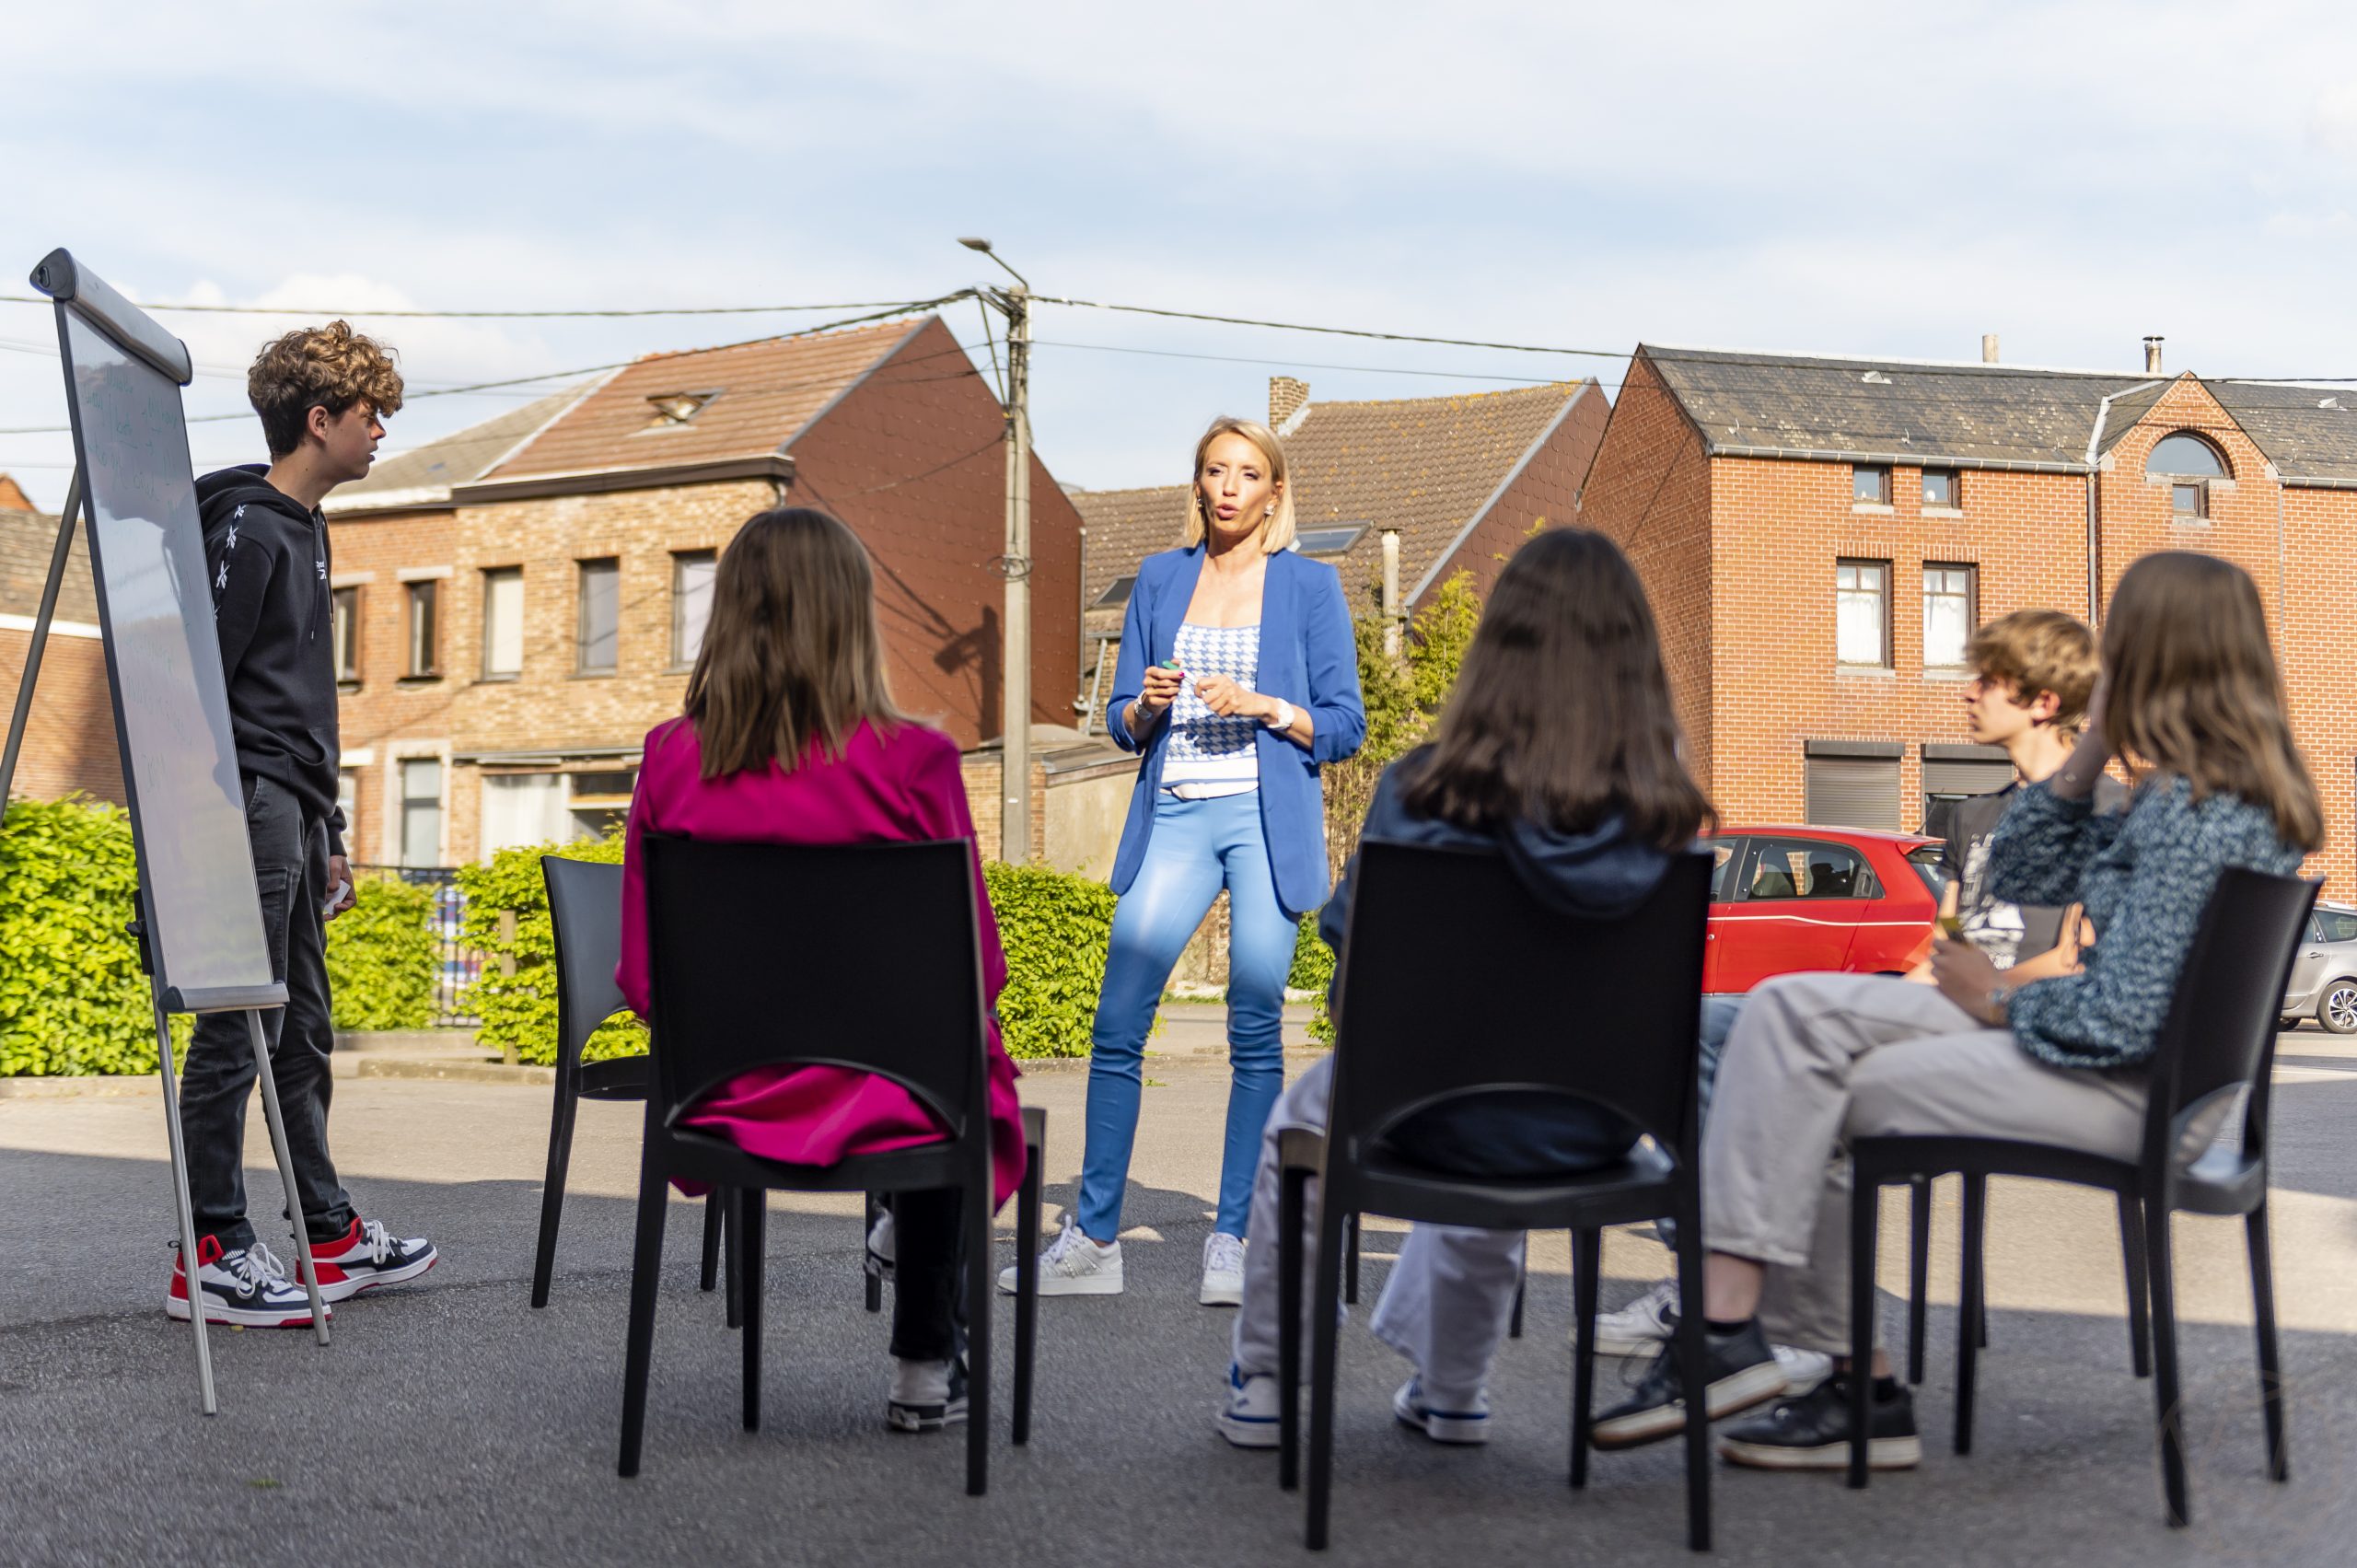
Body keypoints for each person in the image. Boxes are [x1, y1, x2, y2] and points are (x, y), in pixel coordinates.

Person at [1591, 552, 2323, 1471]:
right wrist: (2087, 754)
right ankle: (1762, 1341)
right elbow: (2017, 875)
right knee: (1784, 1010)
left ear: (2154, 651)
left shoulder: (2193, 807)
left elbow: (2120, 1020)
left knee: (1811, 1072)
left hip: (2131, 1090)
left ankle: (1795, 1356)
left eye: (2121, 633)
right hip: (2131, 1072)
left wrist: (1996, 998)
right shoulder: (2182, 786)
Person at [1217, 527, 1714, 1447]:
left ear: (1496, 653)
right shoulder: (1668, 818)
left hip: (1422, 1102)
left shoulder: (1420, 788)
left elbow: (1347, 941)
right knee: (1509, 1098)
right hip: (1598, 1122)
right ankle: (1451, 1387)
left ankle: (1272, 1380)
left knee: (1304, 1124)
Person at [1591, 609, 2122, 1365]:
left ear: (2043, 701)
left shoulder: (2105, 813)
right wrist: (1907, 985)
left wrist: (1985, 986)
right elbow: (1942, 938)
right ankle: (1709, 1277)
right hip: (1937, 1005)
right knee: (1698, 1026)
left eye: (1988, 679)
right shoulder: (1975, 818)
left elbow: (2081, 962)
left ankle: (1786, 1321)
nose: (1966, 692)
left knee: (1785, 1059)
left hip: (2004, 1027)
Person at [616, 506, 1028, 1434]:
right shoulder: (915, 758)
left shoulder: (671, 756)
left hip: (723, 1092)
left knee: (927, 1062)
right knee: (955, 1069)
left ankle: (904, 1238)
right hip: (892, 1089)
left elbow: (643, 977)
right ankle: (924, 1356)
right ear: (852, 617)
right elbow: (978, 966)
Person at [1009, 416, 1364, 1307]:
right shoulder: (1163, 578)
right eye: (1216, 470)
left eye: (1249, 473)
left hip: (1261, 816)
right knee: (1118, 1020)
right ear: (1198, 484)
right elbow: (1119, 720)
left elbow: (1345, 725)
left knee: (1253, 1025)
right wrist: (1149, 704)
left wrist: (1265, 704)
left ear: (1274, 492)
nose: (1231, 486)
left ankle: (1234, 1237)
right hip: (1173, 812)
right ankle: (1093, 1239)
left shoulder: (1311, 587)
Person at [169, 323, 438, 1328]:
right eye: (371, 415)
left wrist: (324, 828)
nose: (382, 431)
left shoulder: (307, 528)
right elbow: (200, 683)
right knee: (235, 1027)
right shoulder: (245, 525)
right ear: (317, 420)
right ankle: (212, 1246)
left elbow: (296, 701)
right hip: (246, 800)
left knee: (304, 1030)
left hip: (292, 805)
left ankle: (325, 1231)